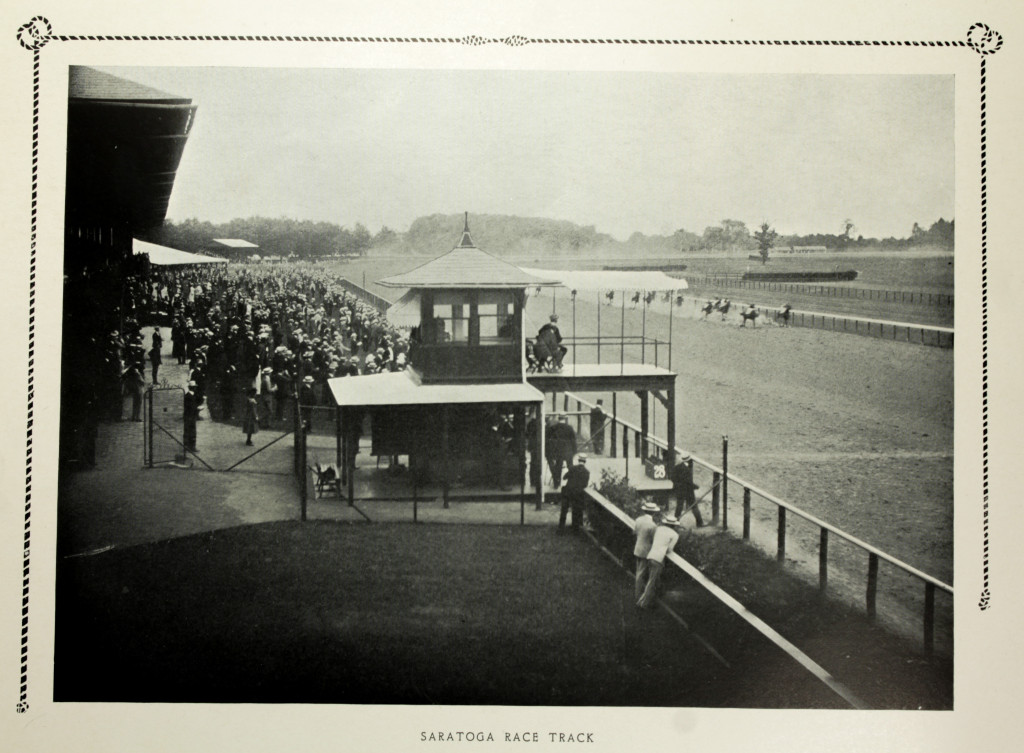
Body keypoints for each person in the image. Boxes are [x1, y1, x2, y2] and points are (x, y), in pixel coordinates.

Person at [637, 513, 681, 609]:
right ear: (674, 525)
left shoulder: (659, 529)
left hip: (650, 555)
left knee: (652, 580)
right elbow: (669, 549)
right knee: (652, 582)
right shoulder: (674, 534)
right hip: (658, 559)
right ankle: (643, 603)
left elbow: (653, 540)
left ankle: (648, 600)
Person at [632, 501, 661, 603]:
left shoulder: (638, 520)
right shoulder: (653, 525)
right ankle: (638, 596)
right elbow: (654, 540)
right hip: (645, 551)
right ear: (653, 513)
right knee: (640, 574)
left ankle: (638, 594)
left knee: (638, 572)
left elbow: (634, 532)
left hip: (637, 548)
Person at [558, 453, 591, 534]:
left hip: (568, 493)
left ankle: (560, 528)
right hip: (578, 494)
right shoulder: (587, 472)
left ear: (578, 460)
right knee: (576, 510)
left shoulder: (572, 468)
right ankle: (575, 528)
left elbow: (564, 477)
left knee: (564, 510)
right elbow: (585, 485)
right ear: (585, 461)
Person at [672, 452, 704, 527]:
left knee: (679, 506)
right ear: (689, 460)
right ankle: (699, 522)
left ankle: (675, 521)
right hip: (688, 491)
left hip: (679, 490)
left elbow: (673, 478)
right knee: (694, 506)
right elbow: (688, 482)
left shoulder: (677, 467)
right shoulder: (687, 470)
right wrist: (696, 486)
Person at [546, 415, 577, 491]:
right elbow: (573, 441)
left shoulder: (553, 428)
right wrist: (574, 451)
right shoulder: (569, 428)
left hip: (558, 451)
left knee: (558, 467)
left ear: (558, 419)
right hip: (568, 451)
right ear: (565, 419)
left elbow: (548, 440)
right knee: (570, 467)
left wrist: (550, 451)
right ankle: (572, 483)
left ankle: (556, 484)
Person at [183, 381, 199, 452]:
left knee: (188, 431)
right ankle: (191, 446)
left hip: (189, 416)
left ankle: (187, 446)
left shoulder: (189, 395)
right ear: (194, 388)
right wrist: (197, 408)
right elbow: (191, 407)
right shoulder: (189, 396)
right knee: (191, 431)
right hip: (190, 416)